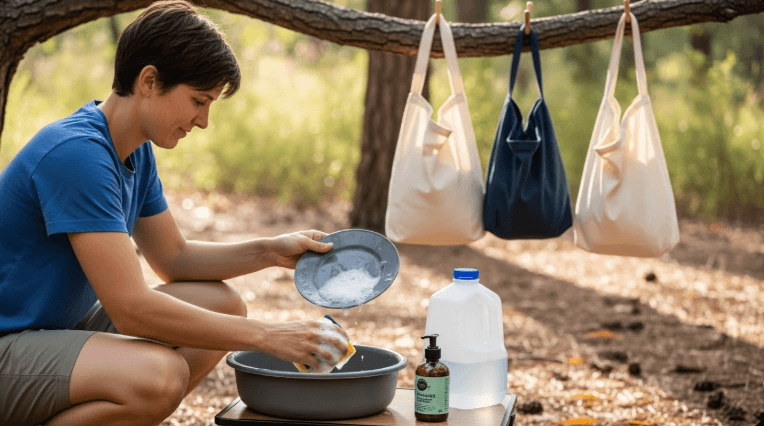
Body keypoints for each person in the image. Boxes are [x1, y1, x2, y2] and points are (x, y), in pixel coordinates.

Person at [0, 1, 350, 425]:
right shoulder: (77, 154)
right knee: (158, 378)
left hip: (53, 333)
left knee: (221, 303)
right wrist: (269, 335)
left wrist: (271, 251)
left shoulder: (134, 151)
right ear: (149, 80)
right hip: (10, 344)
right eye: (198, 101)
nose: (202, 121)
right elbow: (130, 307)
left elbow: (175, 259)